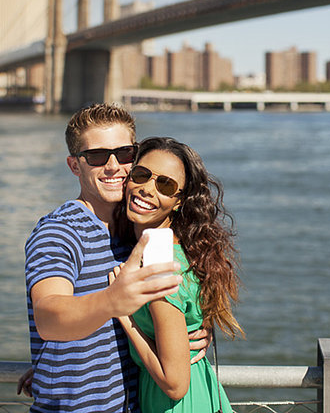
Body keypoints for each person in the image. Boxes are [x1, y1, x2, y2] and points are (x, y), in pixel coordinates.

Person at [22, 103, 210, 412]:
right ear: (74, 166)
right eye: (96, 156)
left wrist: (194, 330)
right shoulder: (59, 231)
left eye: (123, 154)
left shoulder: (133, 233)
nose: (113, 166)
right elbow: (48, 317)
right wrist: (113, 300)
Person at [111, 136, 244, 413]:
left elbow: (175, 384)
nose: (147, 189)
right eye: (141, 175)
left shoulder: (158, 262)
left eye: (165, 185)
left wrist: (123, 316)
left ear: (179, 201)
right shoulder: (175, 246)